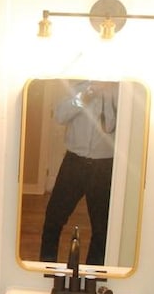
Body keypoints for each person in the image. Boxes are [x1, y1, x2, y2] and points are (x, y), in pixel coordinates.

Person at [39, 80, 118, 266]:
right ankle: (47, 269)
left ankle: (93, 276)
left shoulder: (122, 91)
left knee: (103, 229)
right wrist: (86, 95)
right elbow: (59, 116)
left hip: (105, 166)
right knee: (53, 219)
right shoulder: (78, 87)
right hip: (74, 162)